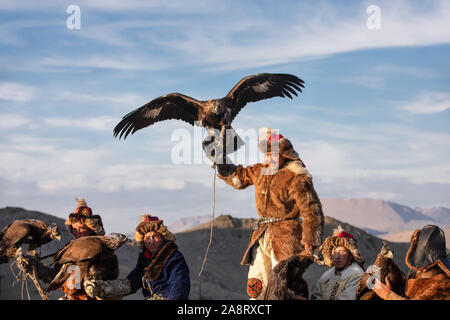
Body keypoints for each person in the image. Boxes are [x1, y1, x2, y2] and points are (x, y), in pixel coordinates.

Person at [203, 127, 324, 299]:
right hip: (262, 234)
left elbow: (312, 210)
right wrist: (219, 158)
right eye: (267, 154)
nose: (270, 158)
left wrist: (310, 240)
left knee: (283, 285)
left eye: (274, 155)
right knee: (257, 284)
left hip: (287, 237)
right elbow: (237, 178)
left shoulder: (296, 177)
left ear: (285, 155)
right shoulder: (261, 171)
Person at [84, 214, 191, 300]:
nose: (151, 241)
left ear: (162, 237)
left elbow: (179, 286)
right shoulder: (145, 260)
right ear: (143, 240)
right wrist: (103, 287)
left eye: (155, 236)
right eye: (147, 237)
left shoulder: (173, 257)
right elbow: (132, 282)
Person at [17, 198, 106, 300]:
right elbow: (59, 277)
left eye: (82, 228)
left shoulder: (100, 251)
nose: (78, 232)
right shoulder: (69, 250)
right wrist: (36, 269)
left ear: (91, 230)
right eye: (75, 229)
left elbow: (75, 286)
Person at [373, 224, 450, 300]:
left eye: (424, 264)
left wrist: (389, 296)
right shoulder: (417, 275)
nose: (419, 268)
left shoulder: (443, 285)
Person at [310, 226, 365, 300]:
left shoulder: (356, 274)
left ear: (351, 255)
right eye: (334, 252)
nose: (337, 257)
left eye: (342, 252)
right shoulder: (330, 273)